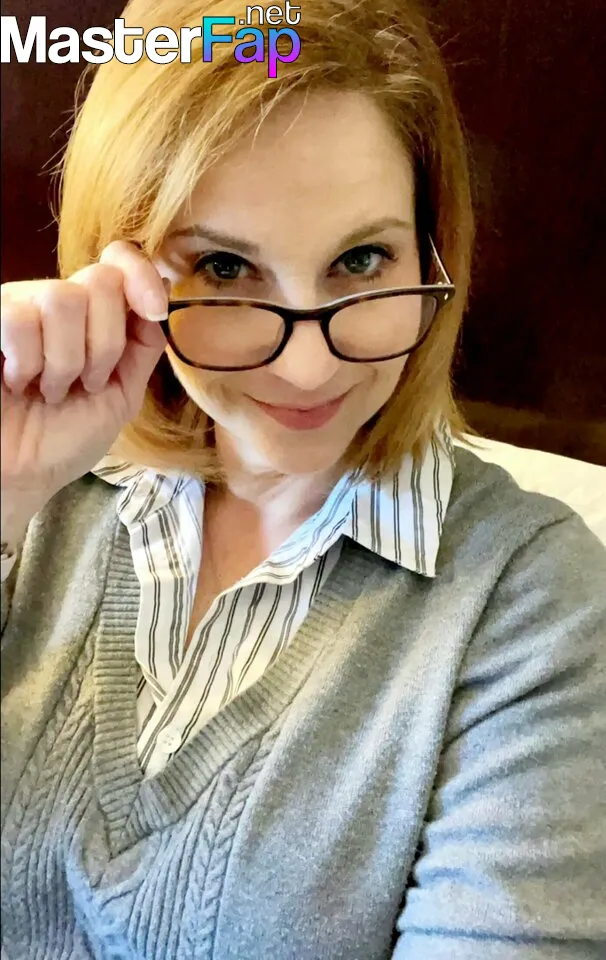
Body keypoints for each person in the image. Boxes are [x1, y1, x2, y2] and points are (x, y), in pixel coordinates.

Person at [1, 0, 605, 957]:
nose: (310, 368)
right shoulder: (34, 506)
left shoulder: (528, 601)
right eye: (226, 267)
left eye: (362, 260)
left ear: (432, 248)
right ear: (123, 268)